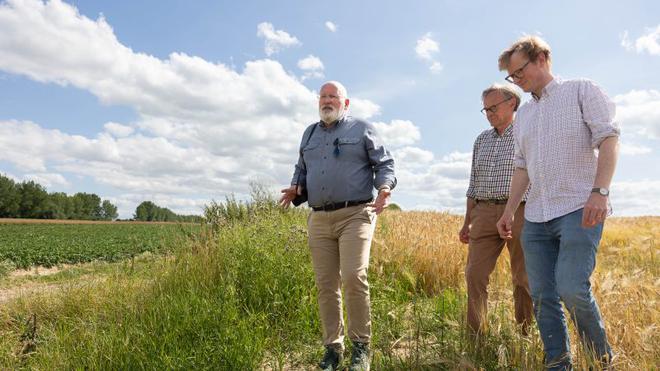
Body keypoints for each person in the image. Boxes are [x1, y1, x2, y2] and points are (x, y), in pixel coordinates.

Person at [495, 36, 619, 370]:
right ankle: (558, 363)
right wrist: (509, 210)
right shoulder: (524, 117)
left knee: (571, 288)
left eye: (519, 72)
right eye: (512, 77)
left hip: (579, 207)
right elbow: (522, 167)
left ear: (542, 59)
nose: (516, 81)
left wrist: (600, 192)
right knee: (541, 295)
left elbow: (608, 139)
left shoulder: (581, 90)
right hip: (536, 216)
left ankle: (602, 360)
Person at [280, 81, 396, 371]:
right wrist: (296, 188)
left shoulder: (362, 128)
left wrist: (384, 187)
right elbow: (301, 169)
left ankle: (361, 348)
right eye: (323, 96)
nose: (327, 100)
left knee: (354, 276)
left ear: (346, 103)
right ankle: (333, 348)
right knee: (325, 284)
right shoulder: (309, 132)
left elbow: (385, 163)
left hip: (356, 213)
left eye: (333, 96)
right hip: (318, 217)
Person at [460, 83, 533, 336]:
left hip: (520, 211)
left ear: (512, 103)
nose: (489, 113)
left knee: (523, 277)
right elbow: (473, 182)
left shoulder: (526, 132)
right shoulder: (481, 140)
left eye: (493, 107)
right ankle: (476, 335)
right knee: (474, 275)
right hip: (483, 211)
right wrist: (467, 220)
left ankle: (525, 333)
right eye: (485, 109)